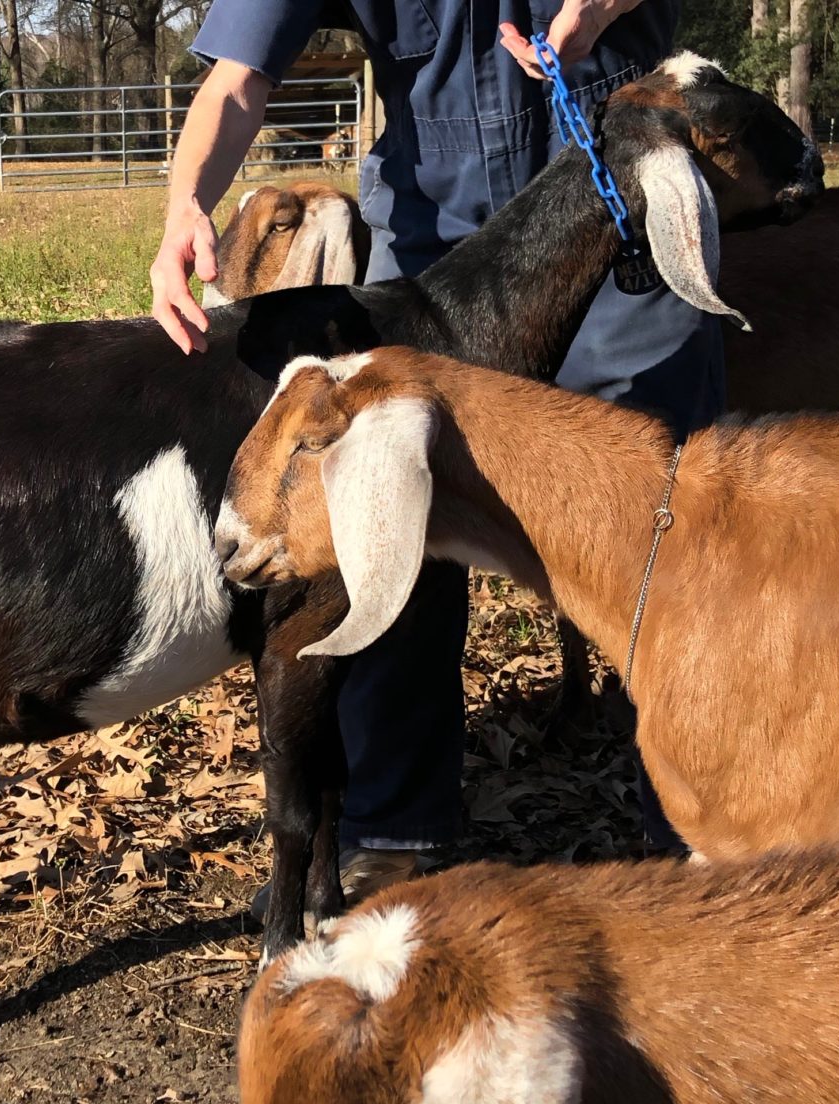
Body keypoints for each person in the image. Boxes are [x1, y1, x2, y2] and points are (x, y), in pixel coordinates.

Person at [150, 0, 718, 903]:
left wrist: (604, 9)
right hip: (435, 238)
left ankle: (699, 829)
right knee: (384, 515)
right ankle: (390, 826)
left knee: (666, 508)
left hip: (615, 203)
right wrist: (187, 201)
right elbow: (238, 76)